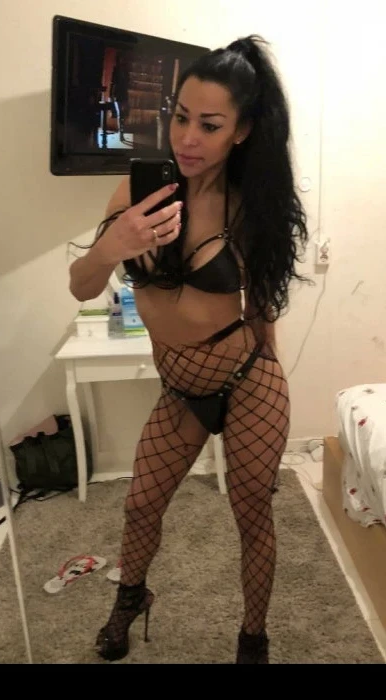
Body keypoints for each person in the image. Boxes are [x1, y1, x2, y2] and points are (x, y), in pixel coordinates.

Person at [69, 34, 309, 664]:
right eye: (180, 117)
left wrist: (272, 375)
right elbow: (81, 287)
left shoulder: (250, 209)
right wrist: (111, 246)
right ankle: (131, 597)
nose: (187, 138)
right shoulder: (135, 195)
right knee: (142, 502)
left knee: (250, 512)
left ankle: (253, 637)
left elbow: (261, 309)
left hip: (248, 380)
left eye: (209, 124)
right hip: (180, 389)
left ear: (241, 131)